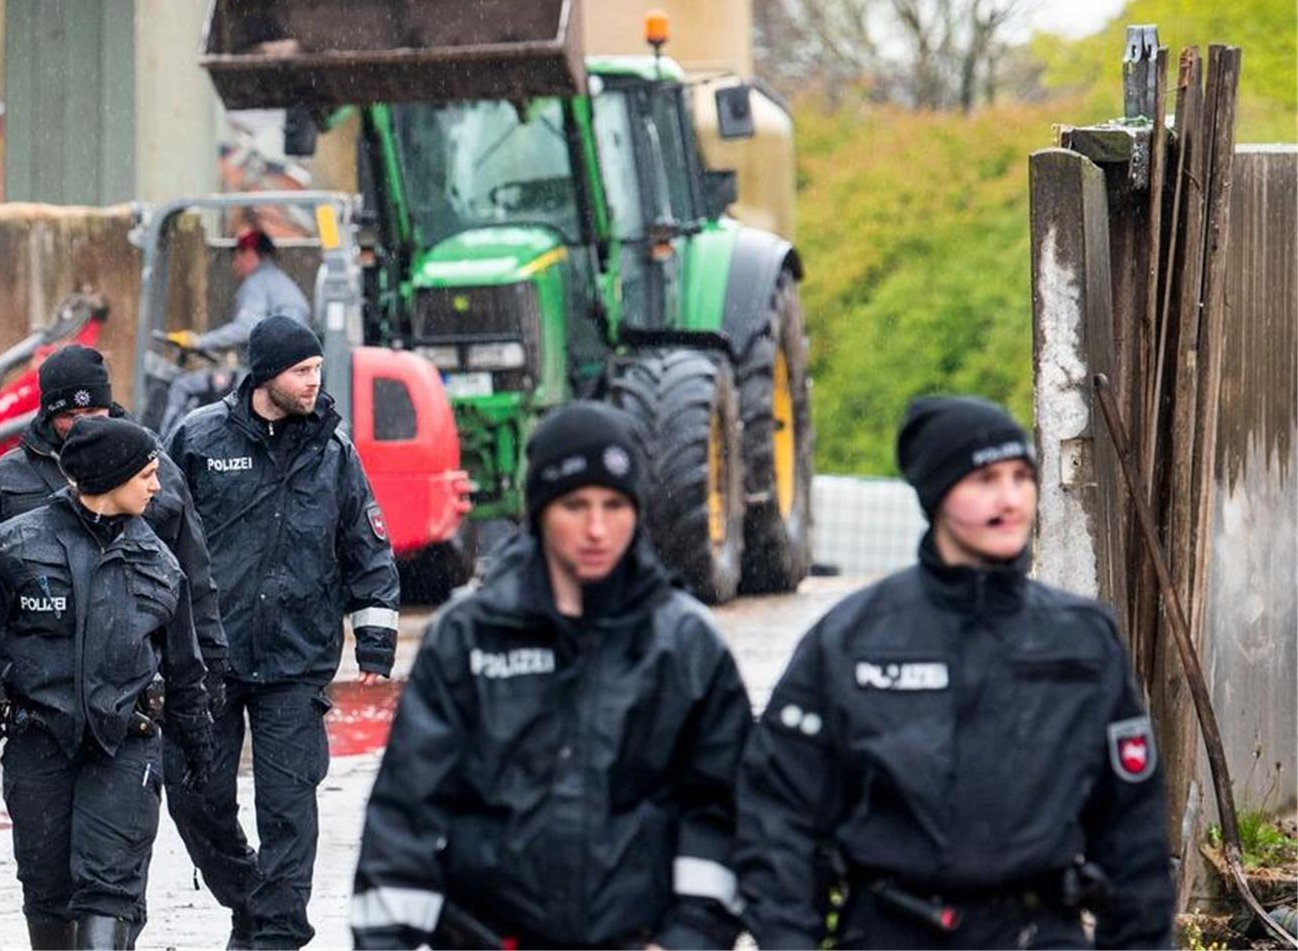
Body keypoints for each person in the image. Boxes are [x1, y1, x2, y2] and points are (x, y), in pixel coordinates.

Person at [735, 396, 1175, 950]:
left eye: (1021, 476)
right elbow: (778, 817)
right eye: (985, 478)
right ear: (938, 493)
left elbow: (1132, 832)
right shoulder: (852, 641)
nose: (1009, 499)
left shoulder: (1083, 639)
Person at [350, 402, 752, 949]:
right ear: (540, 509)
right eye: (575, 505)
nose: (596, 529)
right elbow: (406, 816)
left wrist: (690, 938)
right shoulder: (469, 639)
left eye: (614, 505)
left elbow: (722, 815)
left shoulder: (684, 646)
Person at [0, 345, 253, 937]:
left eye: (94, 414)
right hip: (40, 715)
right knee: (47, 885)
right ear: (49, 413)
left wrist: (201, 714)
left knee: (110, 885)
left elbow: (194, 592)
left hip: (126, 724)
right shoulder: (10, 495)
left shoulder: (153, 486)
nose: (82, 426)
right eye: (70, 416)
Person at [166, 314, 400, 949]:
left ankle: (273, 936)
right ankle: (252, 900)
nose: (314, 383)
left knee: (288, 810)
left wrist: (374, 638)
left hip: (296, 662)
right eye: (303, 371)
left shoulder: (333, 453)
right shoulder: (198, 440)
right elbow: (152, 538)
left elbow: (369, 549)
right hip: (209, 660)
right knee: (195, 801)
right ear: (267, 373)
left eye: (317, 370)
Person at [165, 229, 311, 356]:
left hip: (275, 369)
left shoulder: (257, 282)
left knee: (185, 386)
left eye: (236, 257)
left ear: (250, 254)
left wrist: (198, 342)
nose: (234, 265)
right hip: (288, 363)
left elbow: (246, 329)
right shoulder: (277, 280)